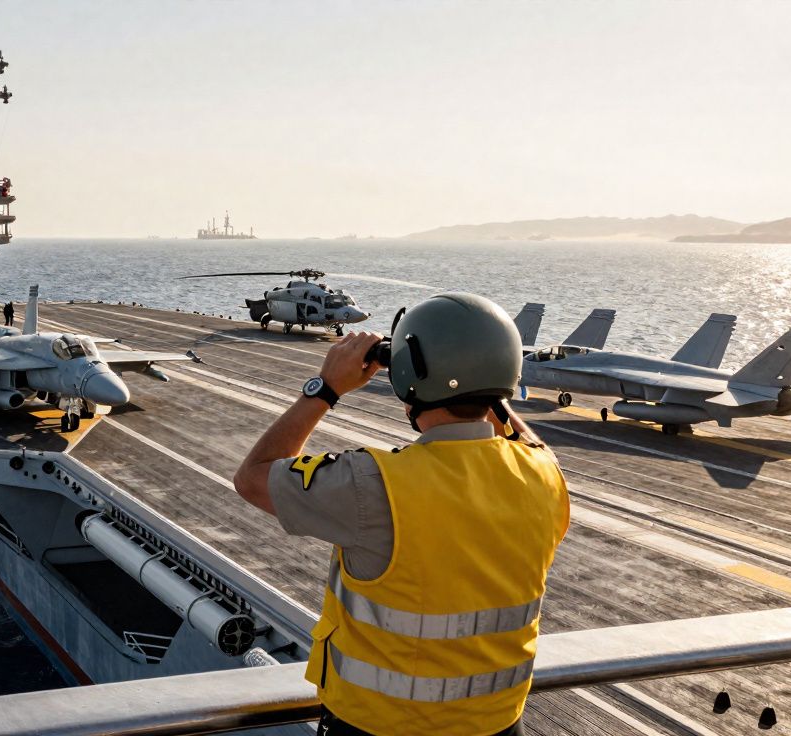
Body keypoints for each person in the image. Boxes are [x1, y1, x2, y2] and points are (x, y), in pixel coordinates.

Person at [233, 293, 570, 736]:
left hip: (377, 727)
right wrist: (487, 385)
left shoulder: (372, 483)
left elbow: (253, 477)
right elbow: (529, 443)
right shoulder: (544, 476)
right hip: (498, 726)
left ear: (410, 378)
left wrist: (326, 388)